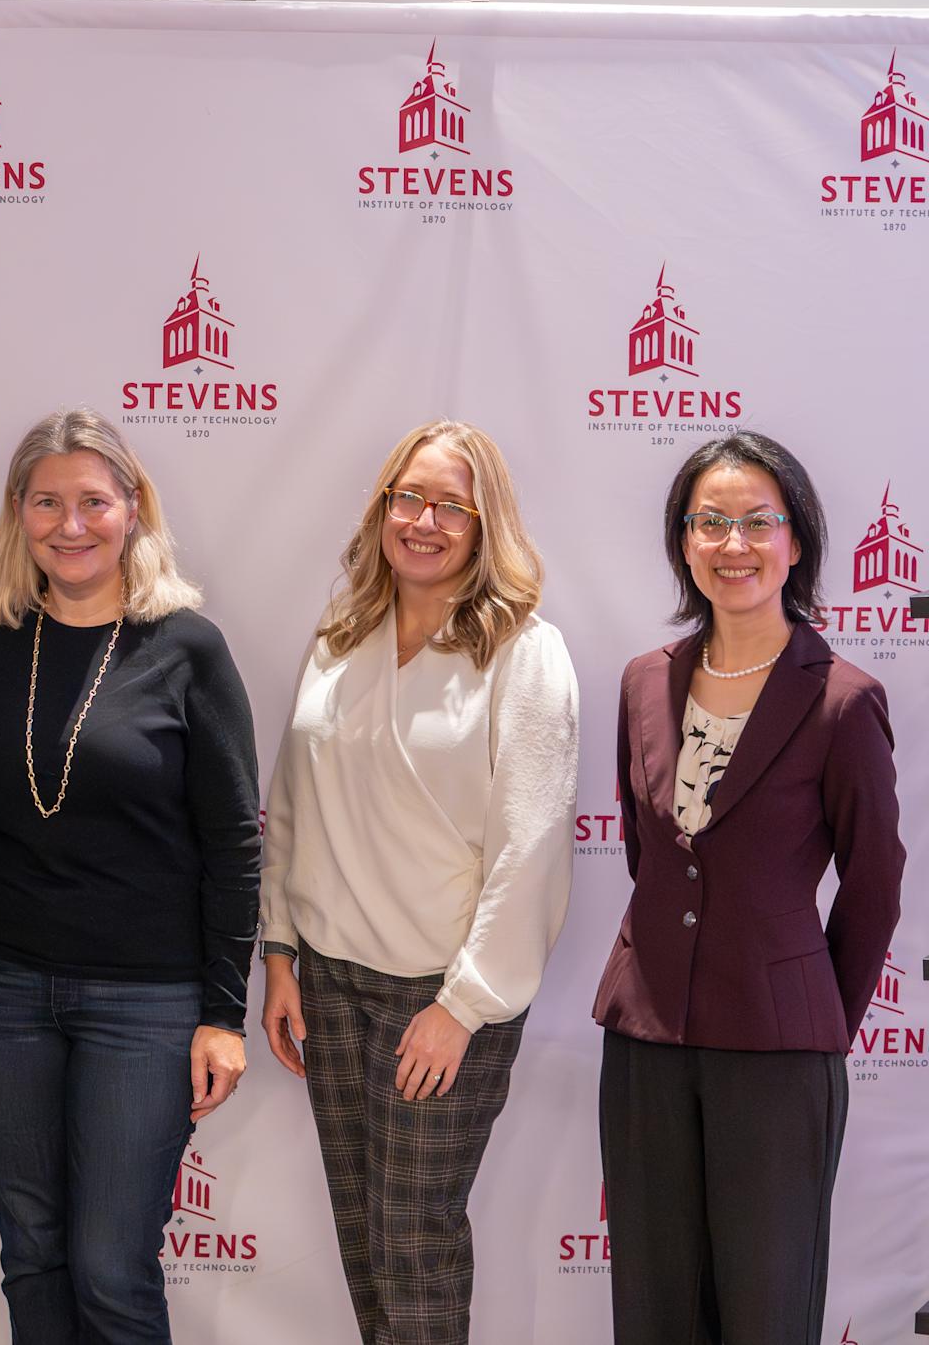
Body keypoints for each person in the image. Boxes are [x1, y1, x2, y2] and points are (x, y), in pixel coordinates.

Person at [0, 409, 260, 1343]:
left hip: (148, 1003)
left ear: (132, 509)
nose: (69, 525)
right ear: (17, 515)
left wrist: (223, 1014)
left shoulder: (187, 646)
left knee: (113, 1270)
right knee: (32, 1254)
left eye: (93, 501)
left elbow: (235, 843)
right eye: (47, 503)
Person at [255, 420, 578, 1345]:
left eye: (451, 506)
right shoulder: (341, 634)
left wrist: (464, 1006)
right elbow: (294, 801)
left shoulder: (523, 652)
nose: (425, 521)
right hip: (329, 981)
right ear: (381, 509)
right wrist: (279, 953)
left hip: (440, 994)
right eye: (409, 498)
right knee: (364, 1239)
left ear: (486, 525)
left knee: (416, 1243)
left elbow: (533, 847)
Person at [592, 430, 901, 1344]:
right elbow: (652, 856)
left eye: (757, 522)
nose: (735, 544)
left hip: (777, 1053)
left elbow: (875, 885)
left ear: (795, 540)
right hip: (646, 1038)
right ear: (684, 542)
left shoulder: (841, 698)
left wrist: (812, 1018)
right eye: (710, 522)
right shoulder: (647, 681)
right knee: (653, 1307)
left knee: (766, 1310)